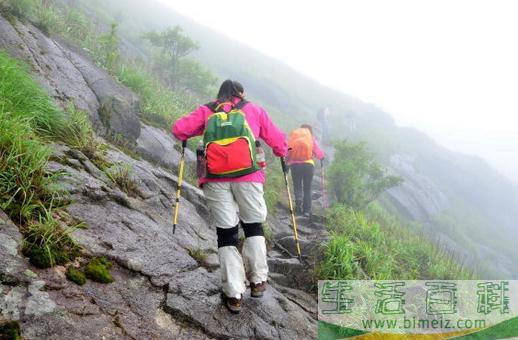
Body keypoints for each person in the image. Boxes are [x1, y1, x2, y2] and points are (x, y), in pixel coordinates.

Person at [172, 80, 287, 314]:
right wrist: (283, 152)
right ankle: (257, 280)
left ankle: (234, 293)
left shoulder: (208, 110)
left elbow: (179, 129)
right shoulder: (253, 109)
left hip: (215, 178)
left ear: (220, 94)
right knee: (254, 226)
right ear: (240, 93)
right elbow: (278, 141)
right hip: (249, 176)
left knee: (226, 233)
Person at [287, 124, 325, 219]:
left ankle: (298, 201)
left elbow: (288, 150)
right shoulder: (310, 138)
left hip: (295, 165)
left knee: (297, 185)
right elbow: (318, 152)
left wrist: (286, 163)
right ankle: (307, 211)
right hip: (308, 165)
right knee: (307, 188)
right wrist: (322, 157)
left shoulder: (294, 138)